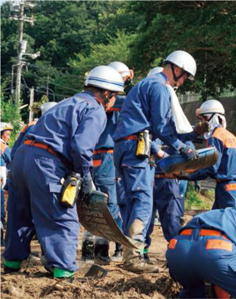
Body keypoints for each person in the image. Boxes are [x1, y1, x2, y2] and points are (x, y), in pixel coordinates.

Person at [2, 66, 124, 278]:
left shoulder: (66, 103)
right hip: (46, 161)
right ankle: (63, 270)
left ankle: (12, 261)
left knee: (20, 213)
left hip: (23, 158)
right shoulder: (95, 109)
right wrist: (84, 177)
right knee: (62, 217)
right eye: (115, 98)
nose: (113, 103)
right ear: (107, 94)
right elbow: (81, 147)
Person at [112, 51, 209, 272]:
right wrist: (182, 147)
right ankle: (133, 257)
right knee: (144, 201)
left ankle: (130, 252)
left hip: (126, 147)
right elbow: (162, 128)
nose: (183, 82)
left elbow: (163, 128)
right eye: (184, 77)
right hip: (136, 148)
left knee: (133, 201)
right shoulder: (159, 87)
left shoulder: (146, 85)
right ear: (177, 69)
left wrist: (190, 135)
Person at [81, 62, 134, 264]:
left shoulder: (91, 101)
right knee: (108, 202)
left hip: (94, 155)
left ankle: (90, 249)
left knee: (92, 201)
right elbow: (131, 101)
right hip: (106, 157)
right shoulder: (113, 101)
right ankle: (101, 250)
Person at [188, 100, 236, 209]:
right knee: (219, 220)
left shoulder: (215, 137)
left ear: (212, 117)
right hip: (233, 186)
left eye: (204, 118)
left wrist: (190, 176)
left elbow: (211, 167)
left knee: (228, 222)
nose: (203, 122)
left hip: (227, 186)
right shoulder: (229, 135)